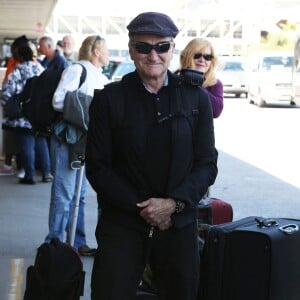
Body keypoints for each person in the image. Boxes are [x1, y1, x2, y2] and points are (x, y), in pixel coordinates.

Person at [85, 12, 218, 300]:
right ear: (132, 50)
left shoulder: (196, 99)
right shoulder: (109, 100)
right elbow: (98, 168)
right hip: (122, 224)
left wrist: (173, 205)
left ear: (173, 50)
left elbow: (206, 165)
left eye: (162, 47)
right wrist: (146, 209)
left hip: (178, 224)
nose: (153, 55)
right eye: (144, 47)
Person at [45, 35, 109, 256]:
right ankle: (54, 243)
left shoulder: (98, 74)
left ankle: (76, 242)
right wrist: (87, 107)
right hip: (67, 140)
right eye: (106, 49)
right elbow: (58, 100)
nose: (108, 54)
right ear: (96, 51)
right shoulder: (77, 70)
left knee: (78, 196)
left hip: (83, 142)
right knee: (64, 195)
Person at [0, 41, 52, 184]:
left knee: (26, 145)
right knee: (41, 142)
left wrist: (7, 105)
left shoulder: (18, 71)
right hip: (40, 115)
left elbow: (7, 91)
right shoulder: (41, 69)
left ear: (20, 57)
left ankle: (30, 175)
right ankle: (46, 173)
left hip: (22, 115)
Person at [178, 38, 224, 118]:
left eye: (207, 57)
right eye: (197, 55)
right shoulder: (175, 79)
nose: (202, 60)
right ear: (187, 56)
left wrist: (195, 83)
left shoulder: (215, 84)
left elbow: (216, 112)